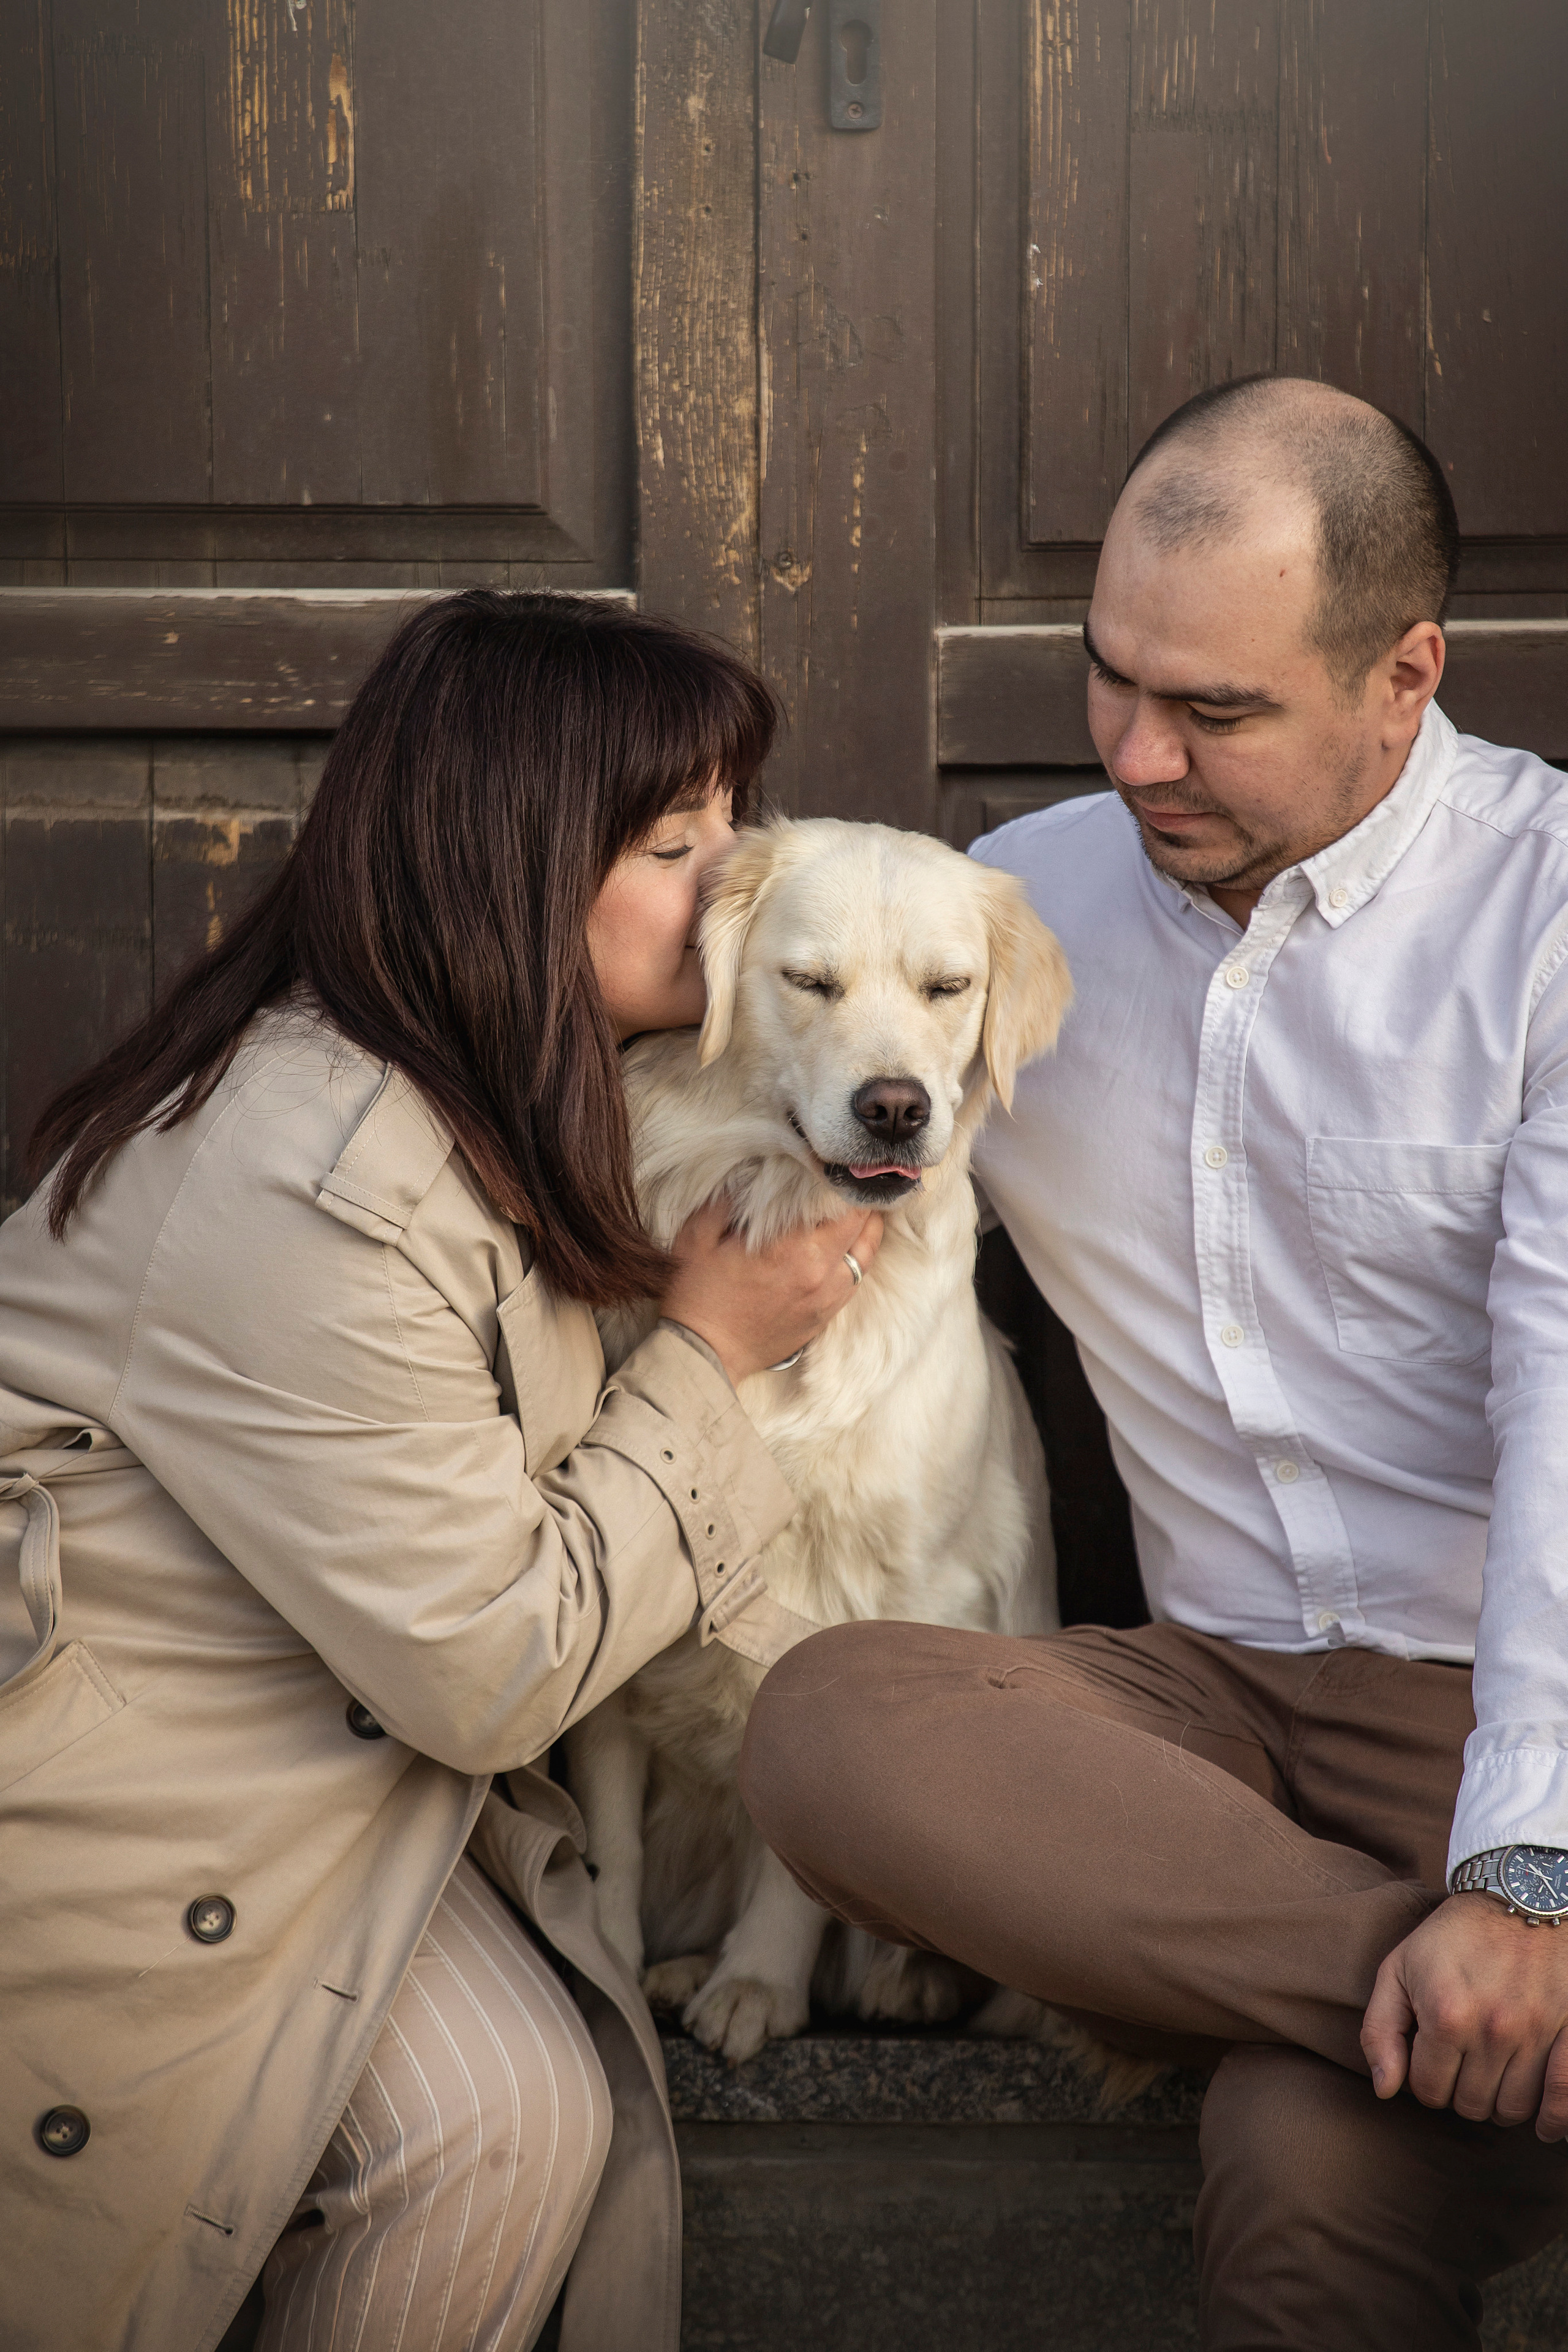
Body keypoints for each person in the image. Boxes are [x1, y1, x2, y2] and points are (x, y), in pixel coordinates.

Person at [739, 377, 1568, 2349]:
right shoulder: (1006, 921)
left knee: (1296, 2183)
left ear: (1406, 675)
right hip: (1191, 1739)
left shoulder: (1545, 918)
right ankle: (1455, 2009)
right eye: (1110, 678)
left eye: (1214, 710)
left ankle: (1476, 1986)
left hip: (1504, 1707)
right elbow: (756, 1105)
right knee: (828, 1723)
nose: (1133, 753)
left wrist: (1528, 1874)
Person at [0, 589, 882, 2352]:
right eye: (673, 843)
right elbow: (488, 1663)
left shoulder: (496, 1092)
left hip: (321, 1754)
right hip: (121, 1805)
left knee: (513, 2115)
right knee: (494, 2123)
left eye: (734, 822)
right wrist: (709, 1353)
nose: (738, 874)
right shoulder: (314, 1178)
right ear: (513, 870)